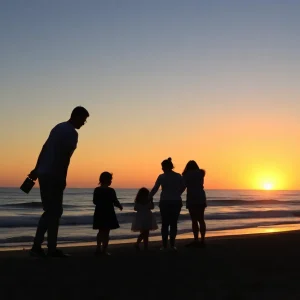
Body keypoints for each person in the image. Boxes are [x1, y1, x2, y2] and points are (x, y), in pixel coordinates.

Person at [28, 106, 89, 258]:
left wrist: (37, 169)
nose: (84, 123)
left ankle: (41, 246)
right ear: (76, 116)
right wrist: (62, 177)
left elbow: (44, 148)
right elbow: (64, 157)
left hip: (44, 173)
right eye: (83, 119)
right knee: (54, 212)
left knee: (51, 211)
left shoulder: (58, 127)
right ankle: (48, 248)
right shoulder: (71, 133)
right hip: (54, 175)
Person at [149, 157, 184, 251]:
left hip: (165, 201)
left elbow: (155, 188)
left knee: (165, 224)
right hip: (176, 201)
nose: (162, 168)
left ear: (164, 167)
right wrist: (178, 193)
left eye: (162, 167)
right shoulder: (178, 176)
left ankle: (164, 245)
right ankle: (172, 245)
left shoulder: (161, 176)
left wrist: (149, 196)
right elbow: (183, 186)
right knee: (173, 224)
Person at [93, 172, 123, 256]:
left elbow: (94, 201)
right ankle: (104, 250)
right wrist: (120, 206)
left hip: (99, 212)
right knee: (106, 232)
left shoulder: (97, 190)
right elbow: (115, 201)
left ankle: (98, 248)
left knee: (100, 231)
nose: (111, 181)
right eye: (110, 179)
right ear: (107, 180)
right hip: (108, 212)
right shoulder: (110, 190)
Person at [182, 160, 207, 247]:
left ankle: (196, 239)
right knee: (201, 219)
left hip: (192, 197)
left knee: (194, 220)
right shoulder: (201, 174)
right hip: (201, 197)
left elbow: (183, 186)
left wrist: (177, 193)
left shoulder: (186, 174)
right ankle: (203, 240)